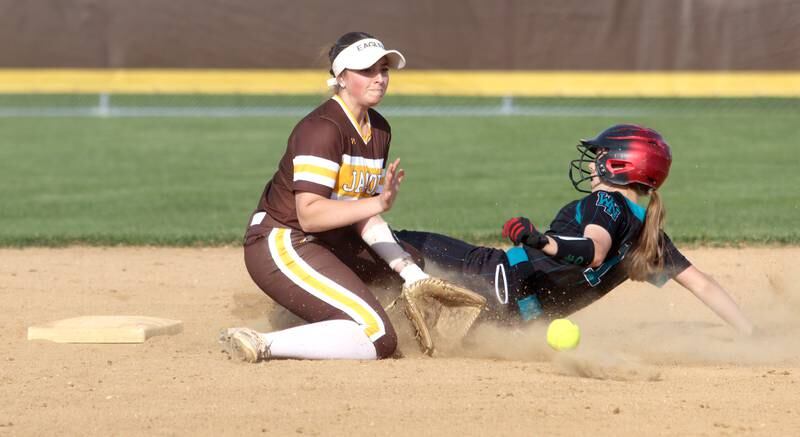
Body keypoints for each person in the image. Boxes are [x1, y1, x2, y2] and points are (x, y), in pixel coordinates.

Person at [396, 124, 755, 335]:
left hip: (500, 277)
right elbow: (701, 283)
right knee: (459, 349)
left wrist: (540, 240)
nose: (592, 164)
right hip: (521, 322)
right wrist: (750, 333)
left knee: (403, 242)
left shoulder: (605, 204)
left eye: (600, 157)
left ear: (618, 166)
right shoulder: (650, 236)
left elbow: (594, 248)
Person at [224, 32, 433, 362]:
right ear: (340, 78)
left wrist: (413, 276)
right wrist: (378, 202)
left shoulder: (378, 129)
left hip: (323, 242)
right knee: (379, 338)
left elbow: (360, 211)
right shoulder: (322, 129)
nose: (379, 78)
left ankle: (319, 312)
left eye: (383, 69)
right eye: (366, 71)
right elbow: (310, 215)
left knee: (408, 268)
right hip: (283, 242)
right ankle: (262, 342)